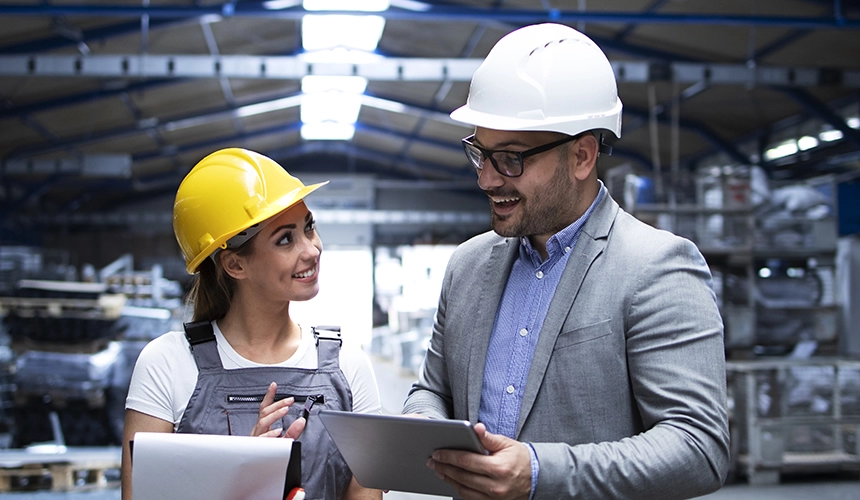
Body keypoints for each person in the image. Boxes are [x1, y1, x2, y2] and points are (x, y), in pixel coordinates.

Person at [402, 23, 729, 499]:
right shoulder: (468, 266)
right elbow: (434, 390)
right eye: (481, 154)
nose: (488, 180)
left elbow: (698, 448)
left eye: (511, 158)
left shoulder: (657, 268)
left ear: (581, 155)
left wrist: (538, 472)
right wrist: (422, 430)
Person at [121, 148, 382, 500]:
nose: (312, 249)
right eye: (285, 239)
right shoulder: (167, 364)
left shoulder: (349, 366)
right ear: (235, 265)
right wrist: (245, 478)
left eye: (309, 228)